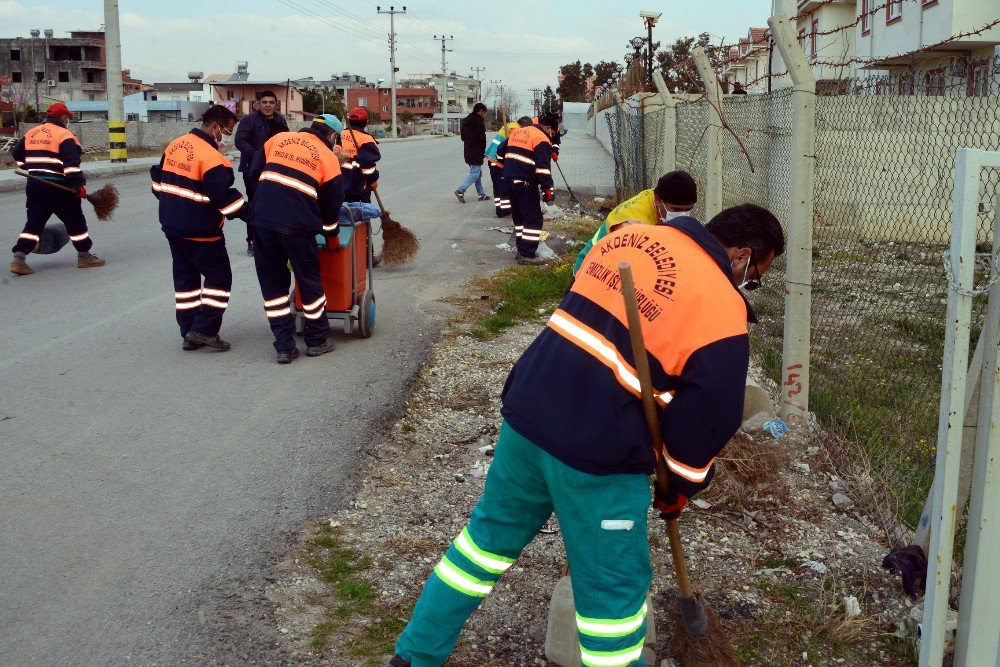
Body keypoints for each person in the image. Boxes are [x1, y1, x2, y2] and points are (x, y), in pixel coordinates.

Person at [389, 204, 785, 667]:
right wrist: (680, 484)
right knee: (610, 603)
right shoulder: (720, 307)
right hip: (600, 456)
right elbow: (706, 423)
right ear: (741, 255)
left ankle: (413, 656)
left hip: (529, 417)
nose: (746, 286)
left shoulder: (630, 239)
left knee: (480, 548)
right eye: (754, 276)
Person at [150, 105, 249, 351]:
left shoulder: (176, 145)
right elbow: (224, 200)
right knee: (219, 278)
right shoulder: (213, 159)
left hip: (172, 226)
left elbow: (157, 184)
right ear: (214, 126)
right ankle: (204, 330)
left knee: (186, 282)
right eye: (227, 131)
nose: (227, 136)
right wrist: (253, 214)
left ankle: (188, 331)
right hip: (201, 231)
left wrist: (175, 205)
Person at [248, 116, 344, 364]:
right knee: (309, 281)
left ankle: (284, 346)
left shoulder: (278, 139)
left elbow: (254, 172)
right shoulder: (327, 156)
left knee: (273, 288)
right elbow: (332, 202)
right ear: (332, 136)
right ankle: (317, 341)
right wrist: (331, 233)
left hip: (262, 222)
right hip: (298, 227)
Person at [9, 102, 105, 276]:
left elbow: (17, 154)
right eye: (67, 117)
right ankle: (84, 256)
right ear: (63, 117)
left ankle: (19, 259)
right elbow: (71, 166)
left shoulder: (32, 133)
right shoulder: (65, 135)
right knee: (75, 222)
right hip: (60, 188)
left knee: (34, 223)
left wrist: (29, 167)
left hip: (35, 185)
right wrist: (78, 185)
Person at [572, 170, 698, 274]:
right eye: (676, 210)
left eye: (688, 210)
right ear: (658, 200)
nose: (683, 215)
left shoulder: (657, 196)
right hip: (589, 269)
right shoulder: (632, 224)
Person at [499, 111, 559, 265]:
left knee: (519, 217)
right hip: (525, 181)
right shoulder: (542, 139)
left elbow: (500, 149)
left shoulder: (519, 131)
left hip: (509, 179)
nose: (552, 135)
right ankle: (527, 254)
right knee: (533, 219)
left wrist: (507, 167)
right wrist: (548, 189)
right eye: (553, 131)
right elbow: (542, 168)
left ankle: (521, 248)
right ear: (548, 128)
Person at [235, 90, 289, 256]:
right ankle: (252, 240)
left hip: (276, 170)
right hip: (253, 170)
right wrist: (257, 155)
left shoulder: (280, 120)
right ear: (257, 104)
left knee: (277, 205)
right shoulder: (249, 121)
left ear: (276, 104)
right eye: (264, 102)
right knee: (256, 205)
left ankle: (273, 240)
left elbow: (286, 141)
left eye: (271, 102)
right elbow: (240, 141)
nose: (267, 105)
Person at [485, 118, 525, 218]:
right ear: (524, 125)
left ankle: (499, 210)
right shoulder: (515, 129)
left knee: (497, 186)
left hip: (492, 158)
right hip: (498, 160)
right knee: (503, 187)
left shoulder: (511, 126)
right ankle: (506, 211)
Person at [338, 107, 381, 203]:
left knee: (341, 214)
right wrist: (373, 181)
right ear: (365, 122)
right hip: (357, 188)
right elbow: (368, 166)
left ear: (349, 120)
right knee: (362, 214)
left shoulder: (338, 135)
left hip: (337, 185)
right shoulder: (366, 139)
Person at [454, 102, 488, 203]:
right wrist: (483, 150)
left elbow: (462, 137)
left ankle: (481, 194)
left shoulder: (466, 120)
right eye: (484, 112)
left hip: (468, 149)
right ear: (481, 111)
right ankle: (460, 190)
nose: (484, 115)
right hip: (476, 150)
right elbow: (482, 138)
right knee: (475, 173)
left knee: (477, 173)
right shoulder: (478, 121)